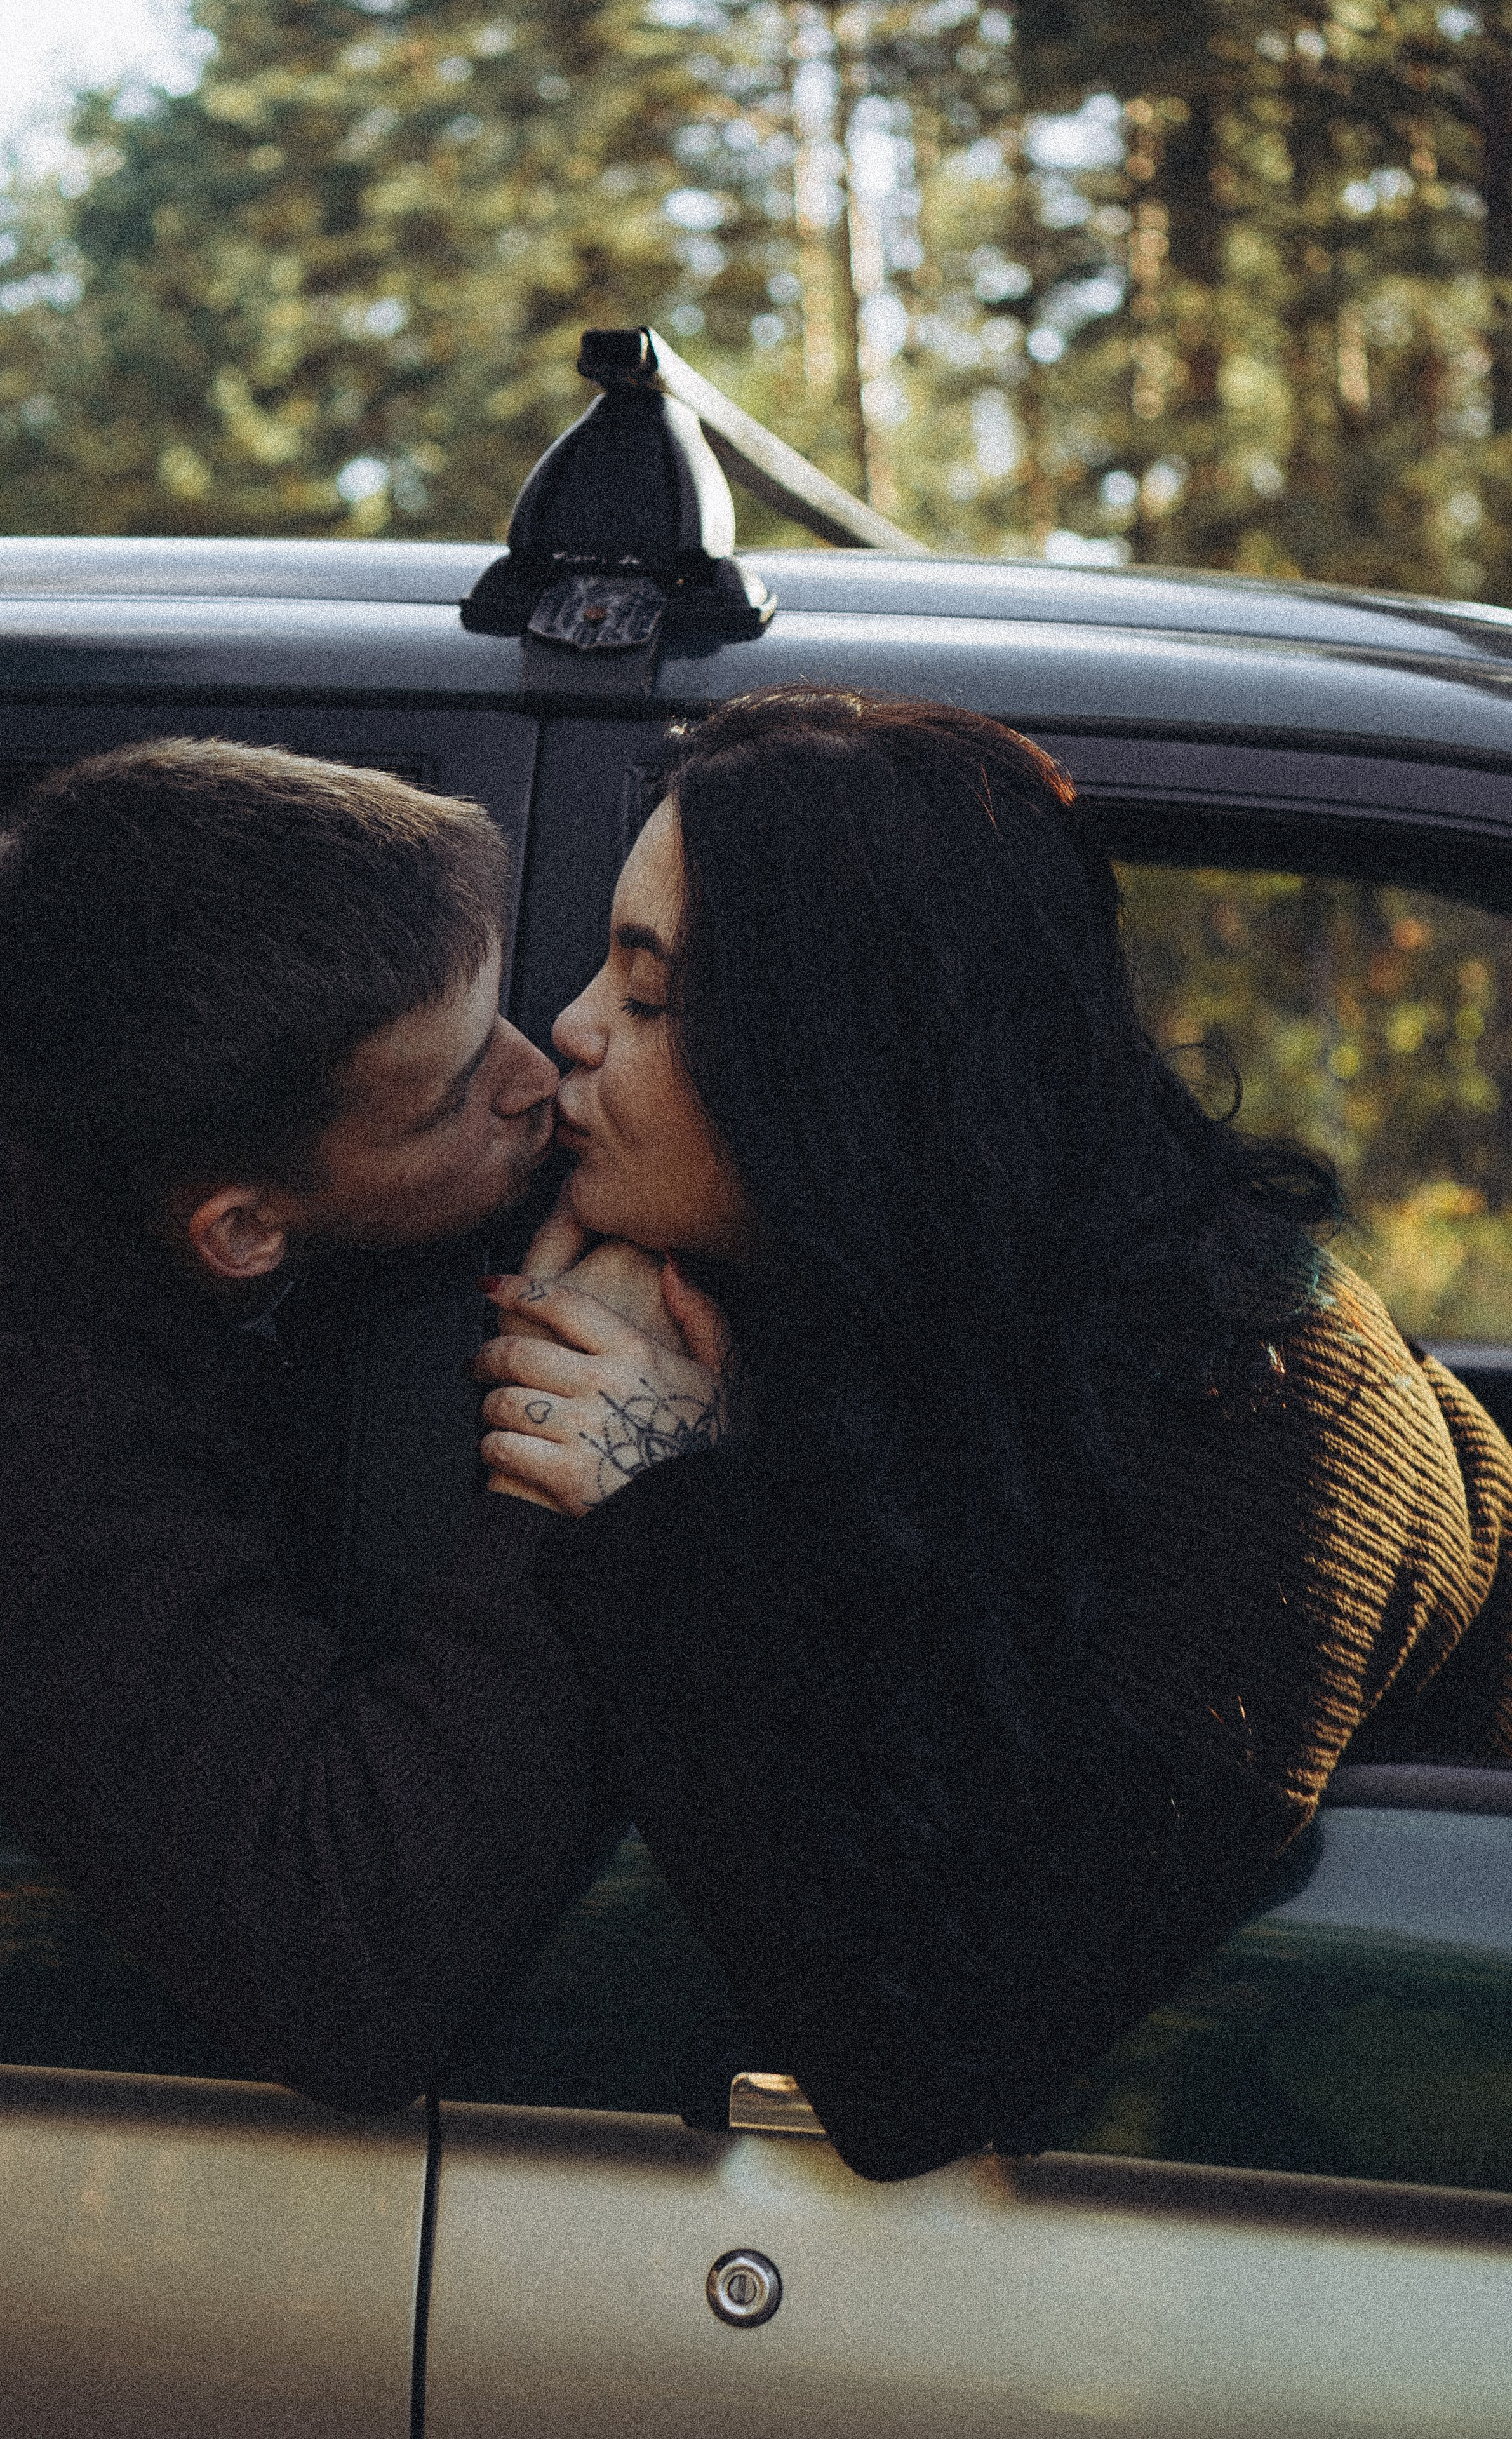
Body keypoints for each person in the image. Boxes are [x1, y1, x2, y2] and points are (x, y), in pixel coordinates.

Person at [474, 685, 1512, 2182]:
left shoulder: (1279, 1433)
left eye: (648, 997)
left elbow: (916, 2069)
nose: (563, 1029)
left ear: (844, 1061)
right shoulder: (872, 1280)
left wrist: (657, 1499)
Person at [0, 736, 713, 2107]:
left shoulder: (170, 1043)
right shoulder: (10, 1452)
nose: (542, 1072)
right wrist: (569, 1457)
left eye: (502, 1000)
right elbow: (341, 1978)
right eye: (456, 1091)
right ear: (246, 1230)